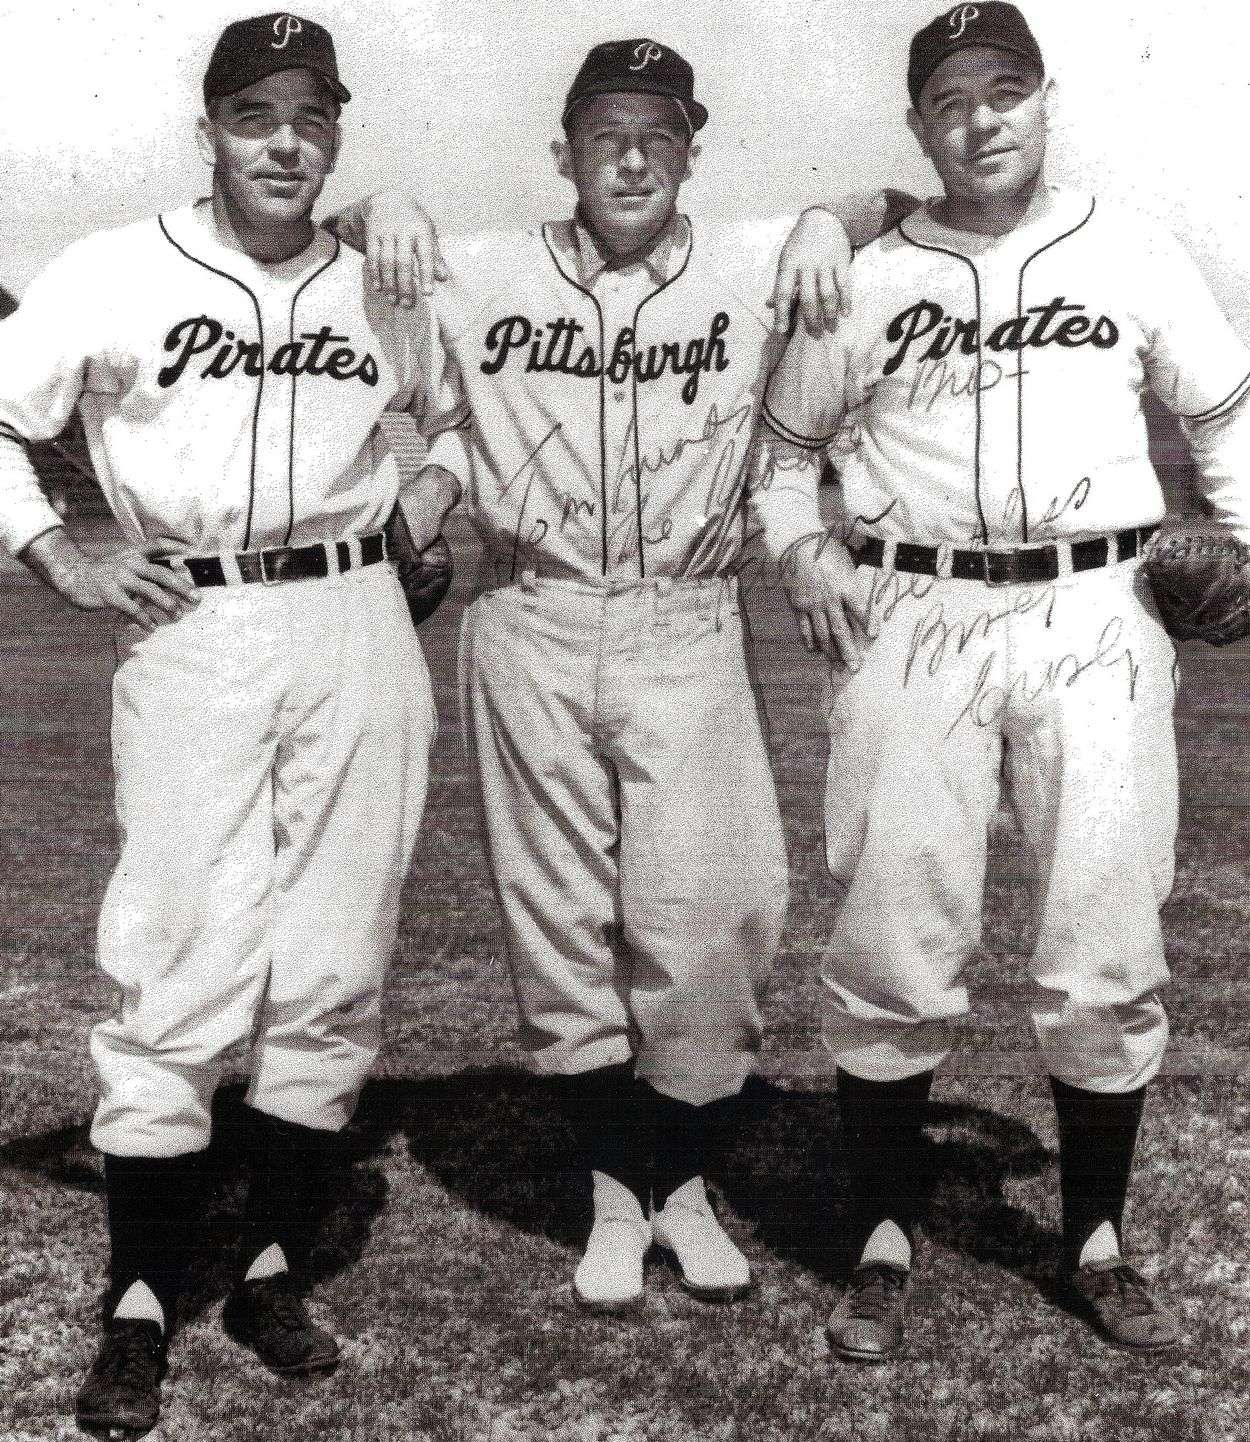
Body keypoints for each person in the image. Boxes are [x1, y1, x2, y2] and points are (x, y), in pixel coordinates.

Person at [328, 37, 880, 1314]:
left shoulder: (753, 262)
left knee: (716, 916)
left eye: (655, 136)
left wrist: (824, 216)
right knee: (563, 927)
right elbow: (343, 231)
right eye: (603, 136)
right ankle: (616, 1194)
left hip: (686, 617)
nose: (629, 160)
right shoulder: (482, 266)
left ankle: (680, 1179)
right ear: (564, 151)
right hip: (529, 608)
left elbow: (899, 201)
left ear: (689, 151)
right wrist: (384, 203)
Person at [750, 0, 1250, 1362]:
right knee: (891, 931)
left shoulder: (1129, 248)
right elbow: (781, 459)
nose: (981, 120)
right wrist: (799, 550)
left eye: (1004, 90)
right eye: (951, 100)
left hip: (1099, 605)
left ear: (1043, 99)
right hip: (914, 608)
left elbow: (1226, 417)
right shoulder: (860, 275)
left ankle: (1095, 1239)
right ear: (918, 127)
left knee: (1104, 931)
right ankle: (880, 1235)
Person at [0, 13, 462, 1436]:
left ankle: (266, 1271)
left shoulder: (381, 278)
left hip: (356, 617)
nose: (284, 141)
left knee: (334, 960)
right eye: (255, 114)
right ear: (206, 130)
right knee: (182, 954)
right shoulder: (114, 268)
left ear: (337, 134)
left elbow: (448, 426)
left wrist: (425, 500)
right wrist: (59, 555)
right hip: (194, 618)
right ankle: (140, 1302)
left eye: (311, 117)